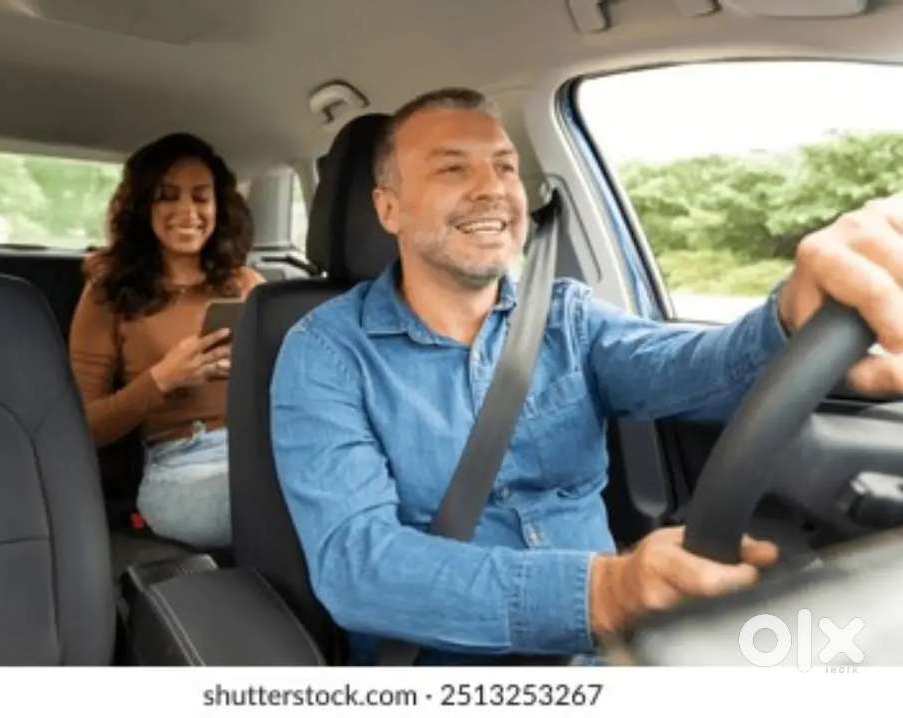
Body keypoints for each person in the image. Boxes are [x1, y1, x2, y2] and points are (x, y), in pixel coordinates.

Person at [270, 88, 903, 665]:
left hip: (609, 660)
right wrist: (602, 592)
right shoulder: (325, 352)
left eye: (505, 167)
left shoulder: (568, 318)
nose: (492, 189)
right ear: (389, 209)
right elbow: (358, 566)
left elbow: (696, 366)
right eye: (452, 169)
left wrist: (789, 317)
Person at [70, 132, 264, 549]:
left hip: (261, 452)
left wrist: (253, 367)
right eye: (167, 196)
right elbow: (81, 428)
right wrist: (163, 379)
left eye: (201, 197)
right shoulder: (108, 293)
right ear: (144, 207)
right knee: (283, 505)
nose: (187, 212)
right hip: (180, 470)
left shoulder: (247, 284)